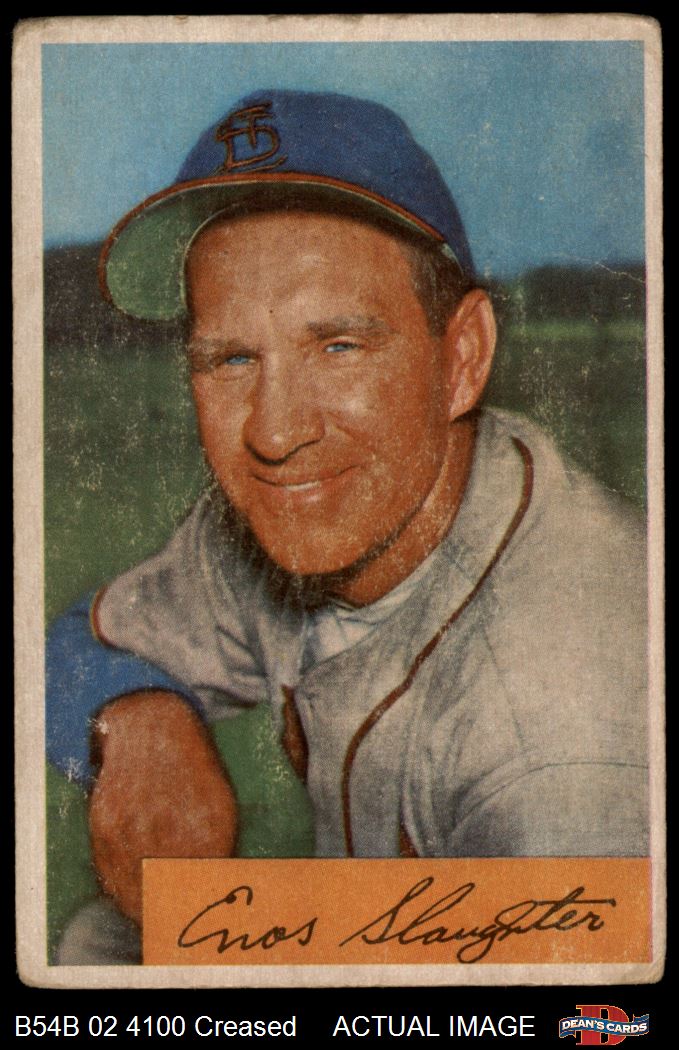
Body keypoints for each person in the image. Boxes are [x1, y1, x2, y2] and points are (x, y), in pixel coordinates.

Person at [46, 90, 649, 964]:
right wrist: (133, 717)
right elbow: (68, 645)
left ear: (462, 357)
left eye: (339, 346)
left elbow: (591, 1014)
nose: (274, 433)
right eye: (232, 358)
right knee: (101, 943)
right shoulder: (296, 512)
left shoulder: (564, 745)